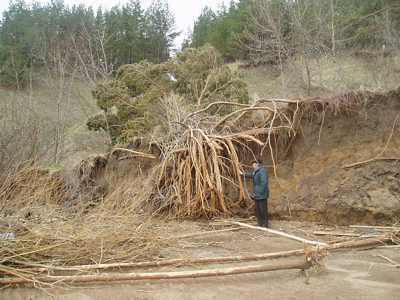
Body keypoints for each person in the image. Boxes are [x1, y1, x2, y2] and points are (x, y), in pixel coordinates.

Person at [242, 160, 270, 228]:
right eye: (253, 165)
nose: (253, 166)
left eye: (254, 165)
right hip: (257, 194)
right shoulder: (256, 172)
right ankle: (260, 223)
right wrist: (243, 174)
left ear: (258, 165)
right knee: (258, 209)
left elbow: (264, 183)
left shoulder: (262, 171)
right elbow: (251, 175)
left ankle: (265, 224)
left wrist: (258, 193)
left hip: (262, 194)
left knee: (263, 209)